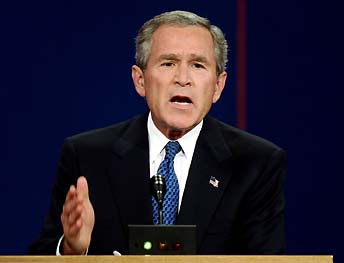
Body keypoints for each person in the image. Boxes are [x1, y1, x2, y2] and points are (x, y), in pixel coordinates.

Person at [29, 10, 287, 255]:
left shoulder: (255, 163)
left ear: (218, 86)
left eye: (198, 65)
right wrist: (72, 249)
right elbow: (42, 254)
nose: (183, 78)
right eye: (168, 63)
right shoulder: (87, 156)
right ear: (140, 80)